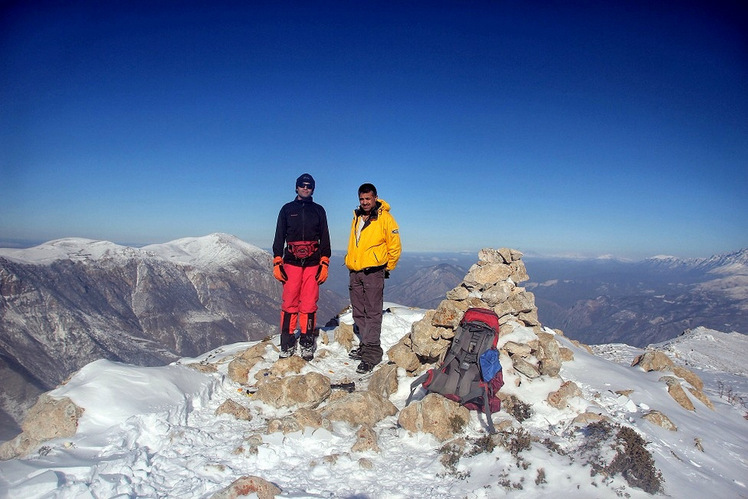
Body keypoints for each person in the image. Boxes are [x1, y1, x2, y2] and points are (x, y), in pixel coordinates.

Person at [272, 173, 331, 360]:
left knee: (309, 303)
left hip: (313, 263)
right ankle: (287, 343)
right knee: (289, 302)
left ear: (313, 189)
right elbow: (279, 236)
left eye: (309, 186)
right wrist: (277, 260)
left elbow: (325, 237)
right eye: (302, 185)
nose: (306, 188)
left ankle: (306, 341)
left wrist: (325, 262)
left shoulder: (319, 210)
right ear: (296, 187)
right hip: (291, 262)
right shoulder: (287, 209)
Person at [344, 183, 402, 373]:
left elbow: (394, 246)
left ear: (375, 198)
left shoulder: (385, 219)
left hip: (373, 272)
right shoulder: (357, 217)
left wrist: (388, 267)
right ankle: (365, 345)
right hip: (356, 271)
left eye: (368, 199)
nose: (365, 202)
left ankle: (372, 352)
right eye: (362, 199)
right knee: (358, 312)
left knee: (373, 312)